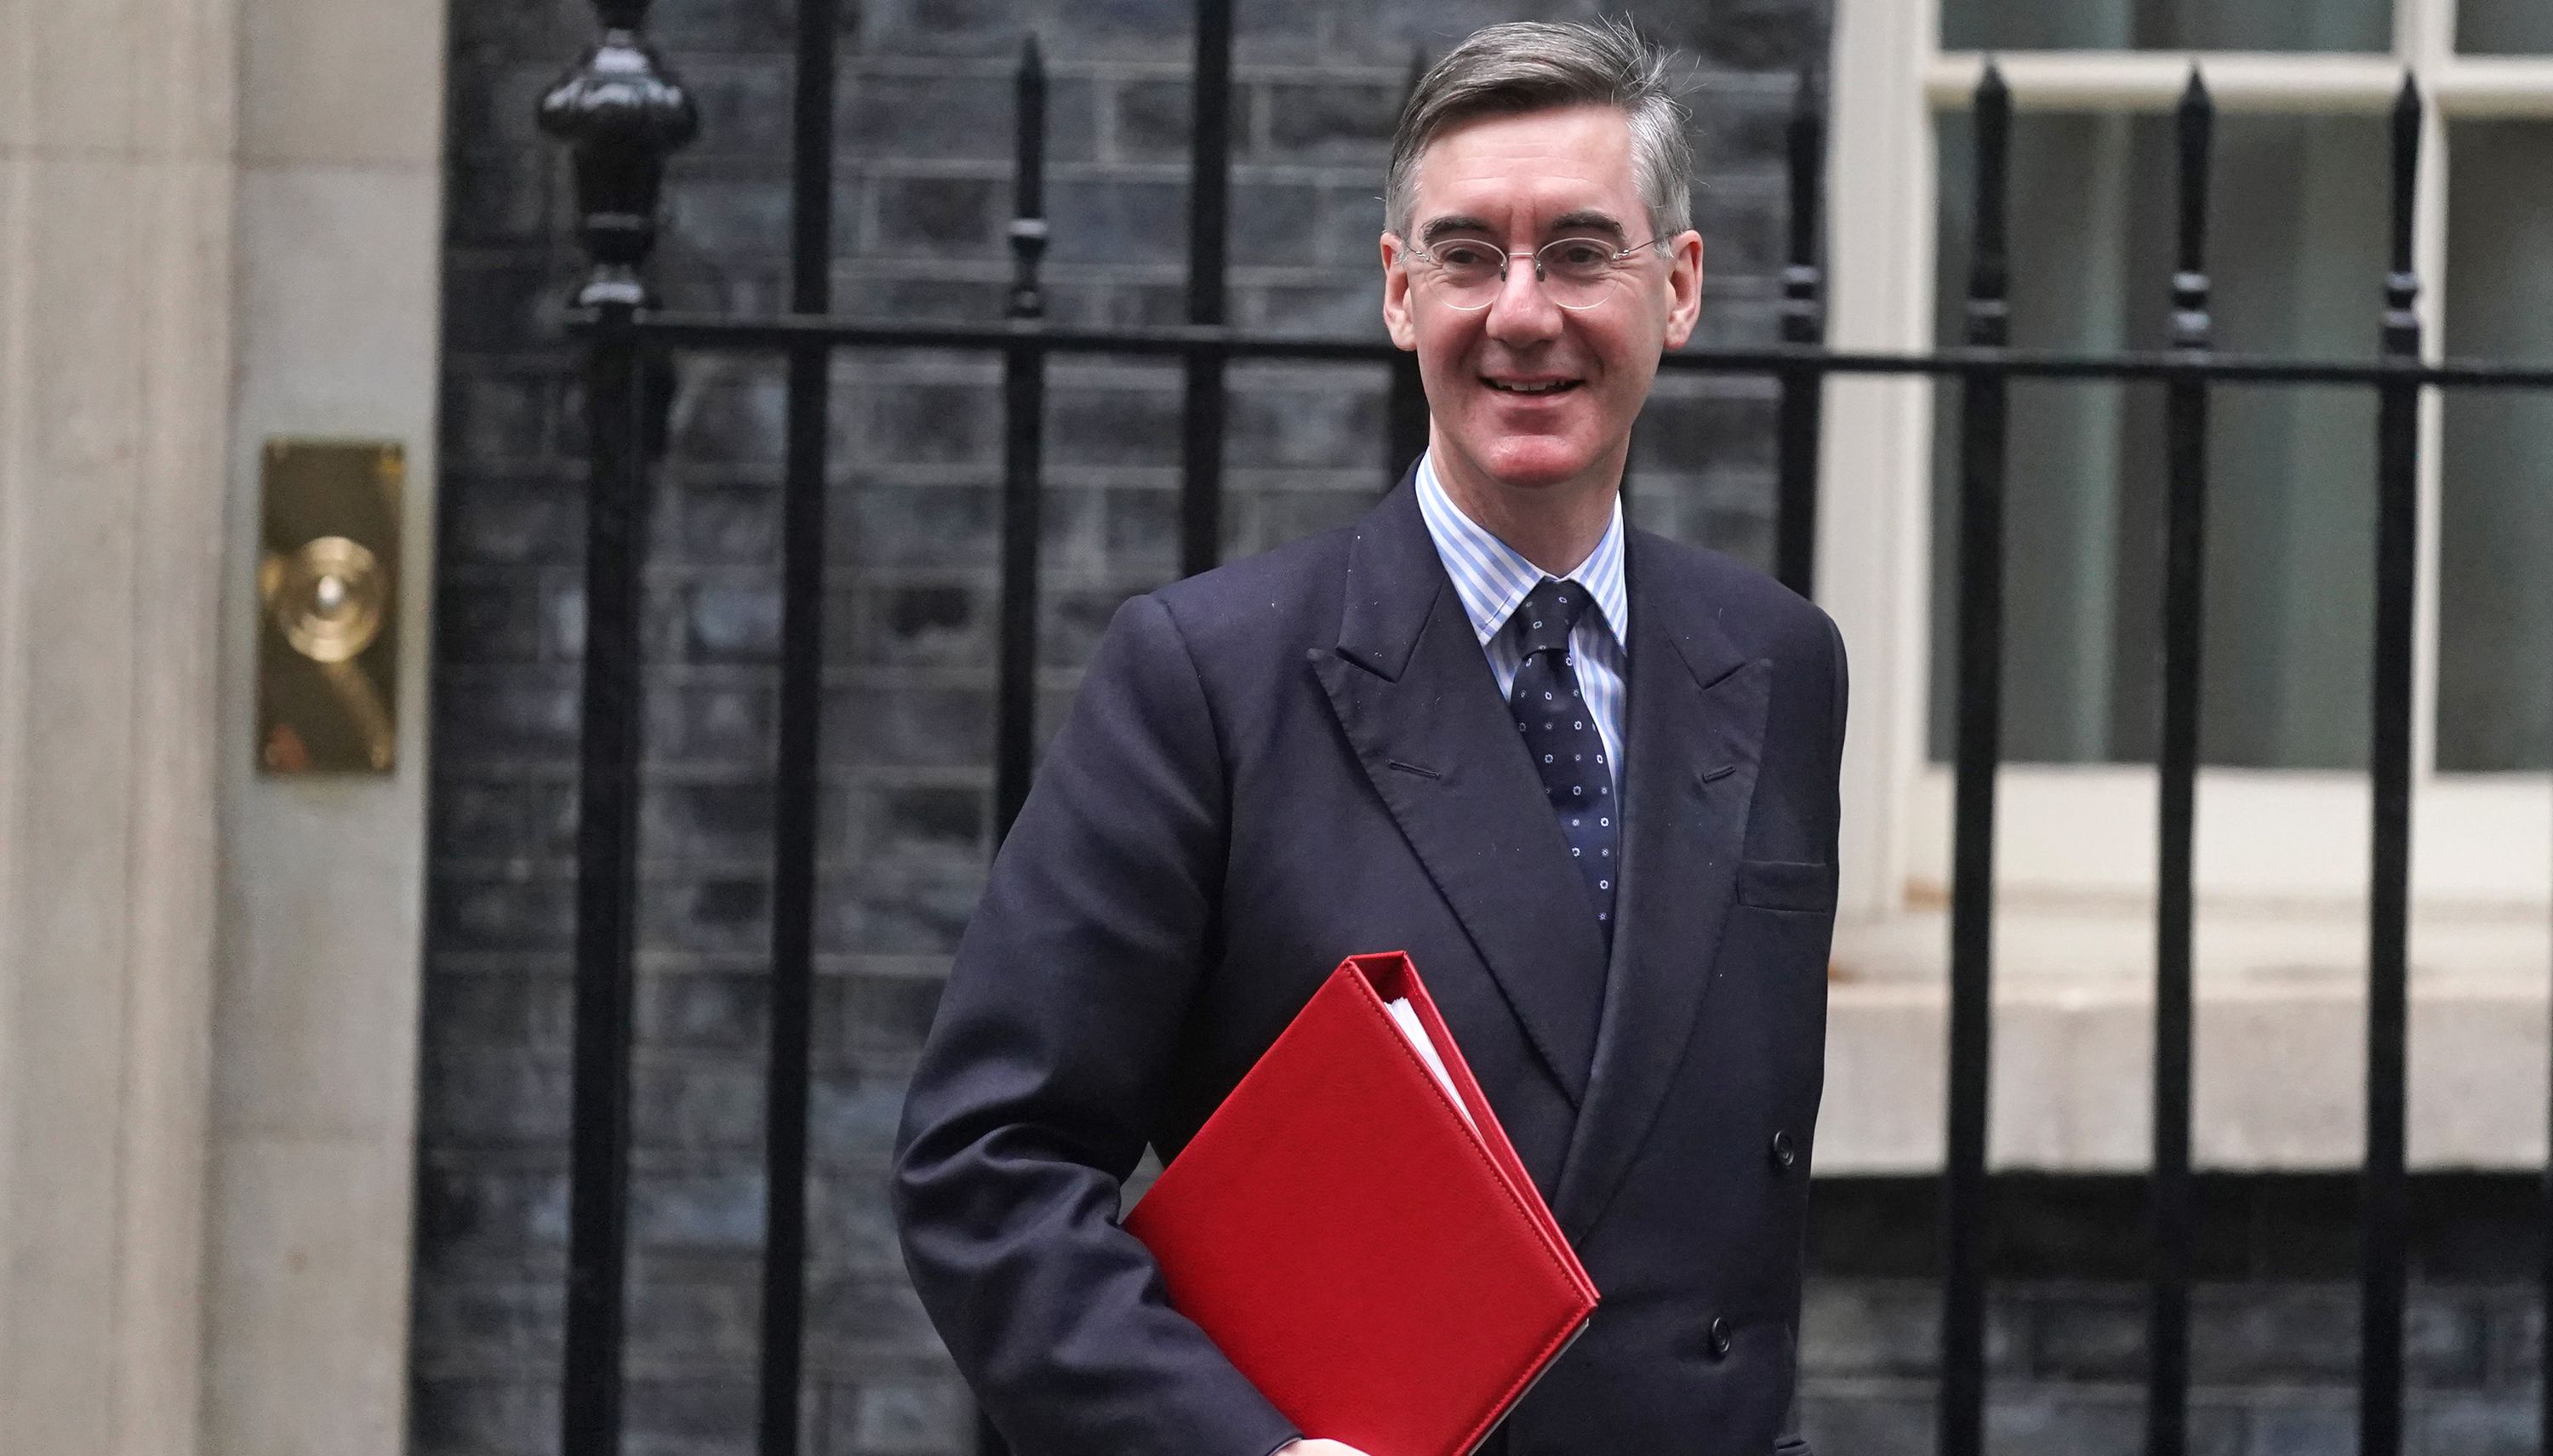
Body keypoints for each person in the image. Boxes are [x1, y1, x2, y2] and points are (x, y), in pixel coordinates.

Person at [893, 18, 1844, 1456]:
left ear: (1681, 288)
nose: (1522, 312)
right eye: (1468, 256)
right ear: (1401, 294)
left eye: (1581, 251)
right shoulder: (1209, 678)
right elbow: (989, 1163)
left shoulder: (1779, 664)